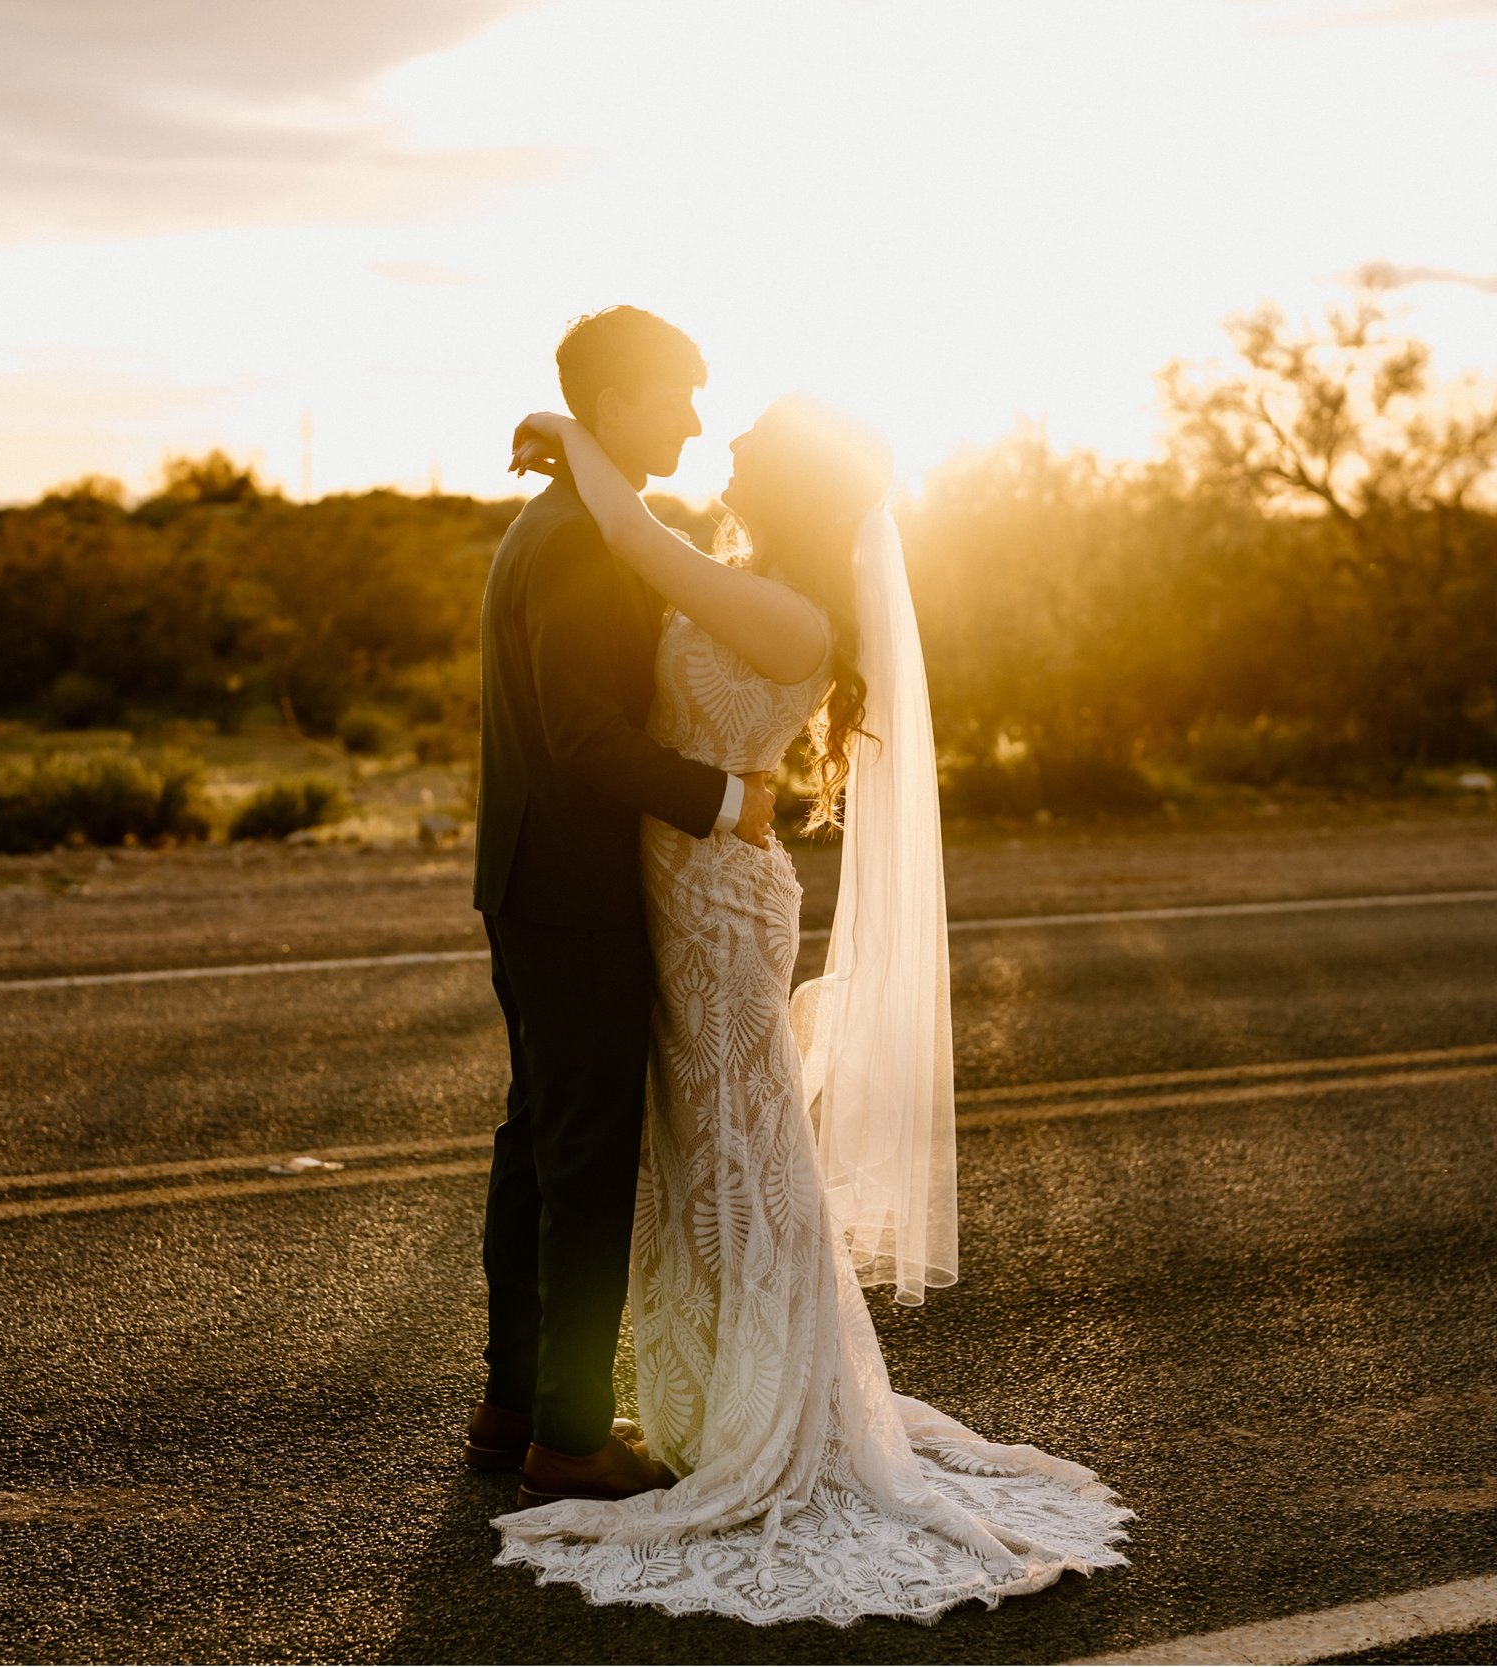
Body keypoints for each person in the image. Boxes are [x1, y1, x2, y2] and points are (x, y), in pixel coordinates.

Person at [486, 388, 1131, 1625]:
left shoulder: (789, 612)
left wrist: (576, 436)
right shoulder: (752, 577)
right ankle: (708, 1389)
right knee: (690, 1145)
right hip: (671, 885)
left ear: (790, 485)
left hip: (719, 898)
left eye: (748, 444)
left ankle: (777, 1407)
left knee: (742, 1137)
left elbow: (638, 544)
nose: (721, 442)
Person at [467, 307, 778, 1508]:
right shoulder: (581, 545)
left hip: (529, 877)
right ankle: (569, 1435)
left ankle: (511, 1403)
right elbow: (583, 734)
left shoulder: (557, 521)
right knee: (587, 1159)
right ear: (615, 408)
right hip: (574, 892)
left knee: (536, 1151)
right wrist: (725, 794)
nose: (696, 418)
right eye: (678, 395)